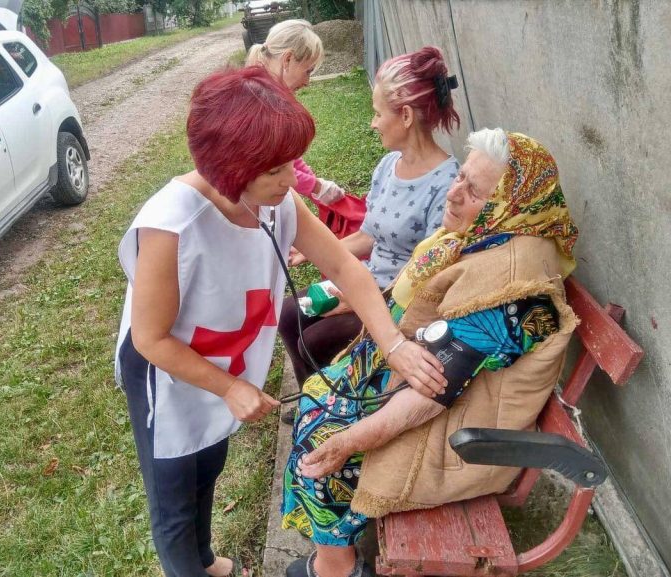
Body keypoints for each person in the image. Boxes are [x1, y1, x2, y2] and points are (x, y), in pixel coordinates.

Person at [114, 66, 448, 577]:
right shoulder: (169, 225)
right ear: (229, 165)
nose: (291, 181)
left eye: (291, 164)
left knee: (210, 459)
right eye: (274, 170)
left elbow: (343, 267)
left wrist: (394, 344)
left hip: (221, 359)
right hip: (168, 372)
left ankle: (205, 560)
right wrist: (227, 387)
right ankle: (187, 562)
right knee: (175, 492)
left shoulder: (277, 201)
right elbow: (151, 338)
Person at [281, 129, 580, 577]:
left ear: (511, 205)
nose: (455, 194)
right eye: (460, 177)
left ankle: (337, 565)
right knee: (321, 396)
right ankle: (334, 553)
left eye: (475, 191)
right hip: (418, 381)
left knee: (323, 442)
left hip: (459, 432)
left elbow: (432, 391)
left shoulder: (512, 285)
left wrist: (351, 439)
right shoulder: (481, 235)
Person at [279, 46, 461, 388]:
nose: (373, 122)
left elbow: (432, 275)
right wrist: (318, 250)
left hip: (400, 304)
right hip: (367, 280)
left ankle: (339, 400)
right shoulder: (387, 166)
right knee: (290, 313)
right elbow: (371, 234)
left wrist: (359, 301)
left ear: (406, 115)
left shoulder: (447, 184)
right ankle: (312, 395)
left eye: (378, 113)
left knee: (315, 341)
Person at [246, 19, 345, 205]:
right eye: (308, 71)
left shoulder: (269, 93)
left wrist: (317, 184)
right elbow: (271, 167)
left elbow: (286, 154)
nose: (307, 81)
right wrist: (315, 186)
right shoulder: (259, 103)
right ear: (288, 59)